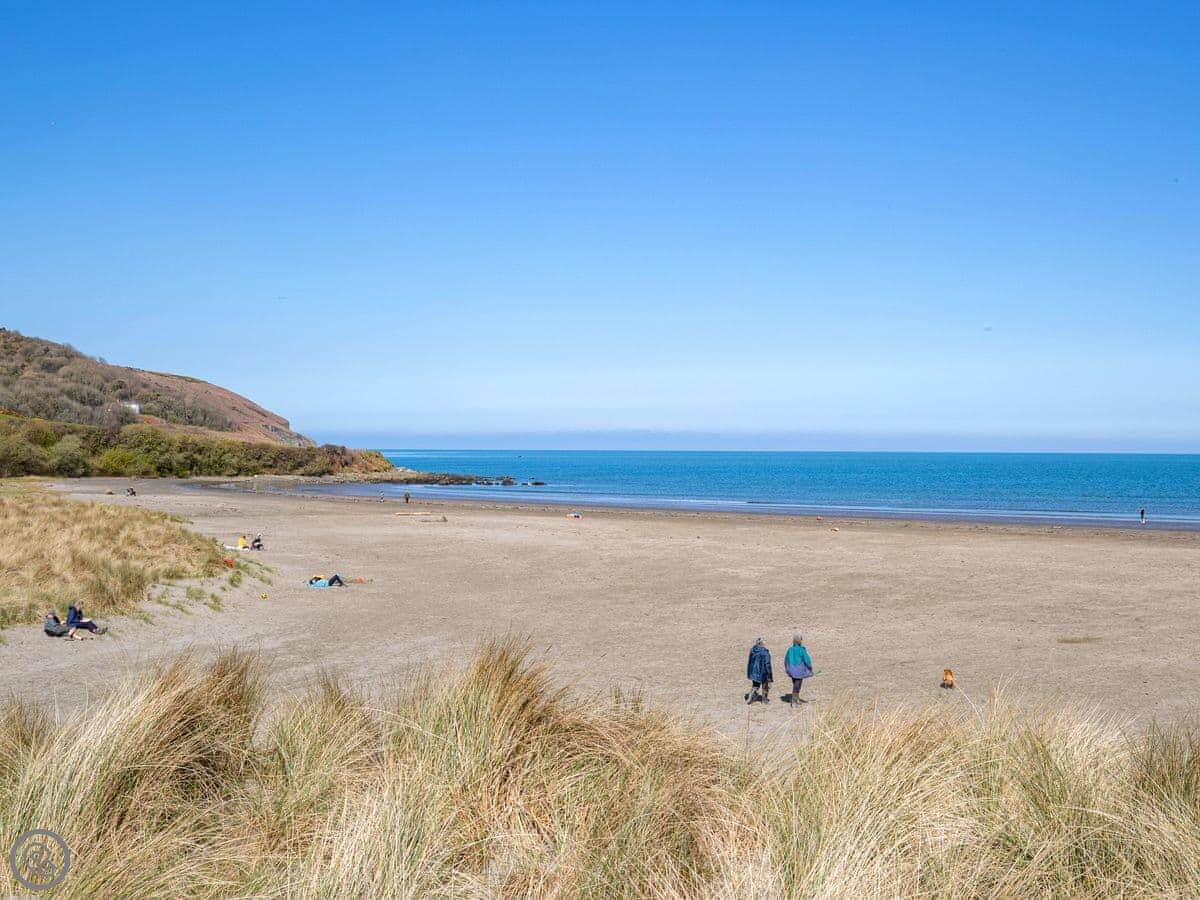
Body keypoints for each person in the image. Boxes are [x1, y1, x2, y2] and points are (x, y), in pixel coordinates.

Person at [785, 634, 814, 705]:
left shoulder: (790, 649)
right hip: (799, 670)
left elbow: (786, 660)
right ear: (799, 641)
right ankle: (794, 701)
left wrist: (787, 668)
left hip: (791, 670)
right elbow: (807, 660)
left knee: (795, 683)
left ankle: (796, 699)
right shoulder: (802, 650)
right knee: (797, 685)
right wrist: (810, 667)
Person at [745, 638, 773, 704]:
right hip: (763, 672)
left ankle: (750, 697)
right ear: (762, 644)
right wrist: (769, 675)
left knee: (755, 685)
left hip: (753, 671)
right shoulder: (765, 652)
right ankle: (764, 700)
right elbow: (767, 664)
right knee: (765, 686)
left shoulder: (753, 650)